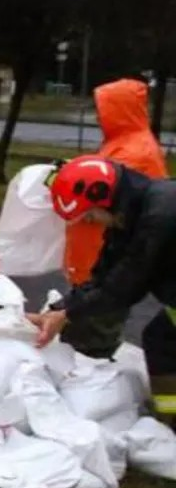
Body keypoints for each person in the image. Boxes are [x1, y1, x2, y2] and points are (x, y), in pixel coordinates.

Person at [29, 155, 176, 425]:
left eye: (89, 214)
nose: (90, 222)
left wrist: (69, 313)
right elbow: (105, 273)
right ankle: (170, 424)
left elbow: (126, 285)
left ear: (103, 198)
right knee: (161, 341)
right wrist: (58, 310)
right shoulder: (131, 212)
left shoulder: (160, 215)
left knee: (163, 341)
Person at [61, 78, 170, 358]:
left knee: (95, 342)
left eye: (103, 108)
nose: (98, 116)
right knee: (159, 341)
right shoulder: (121, 145)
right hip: (101, 258)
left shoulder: (136, 151)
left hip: (111, 259)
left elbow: (127, 279)